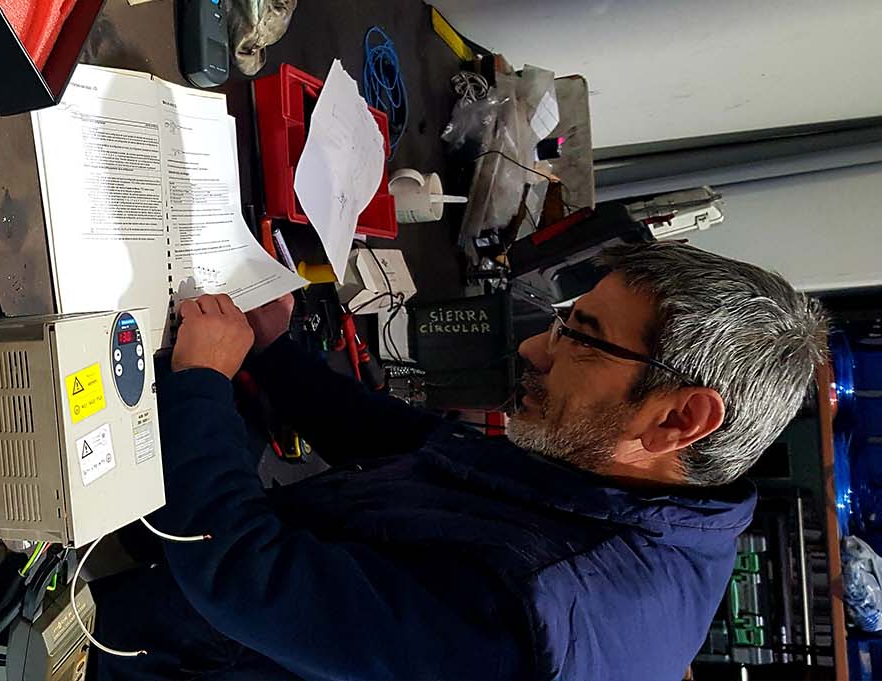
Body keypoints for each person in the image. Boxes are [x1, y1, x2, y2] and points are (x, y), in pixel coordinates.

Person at [88, 242, 829, 680]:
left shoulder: (535, 627)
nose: (535, 347)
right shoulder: (618, 489)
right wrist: (276, 353)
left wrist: (202, 382)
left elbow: (247, 579)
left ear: (678, 419)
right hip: (187, 590)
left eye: (582, 337)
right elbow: (425, 454)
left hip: (163, 655)